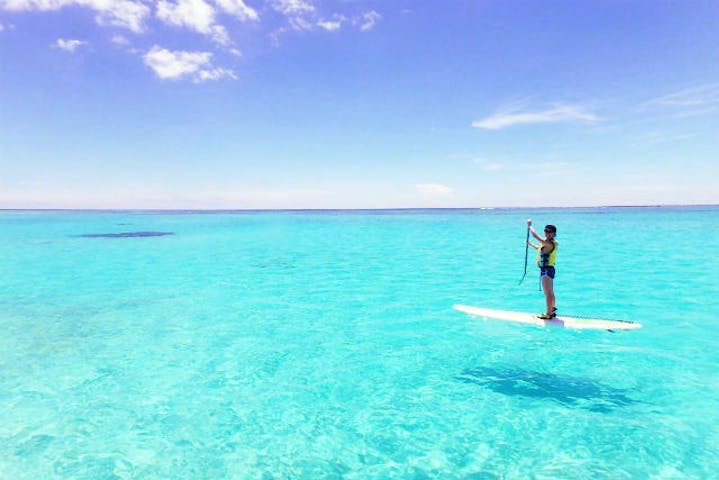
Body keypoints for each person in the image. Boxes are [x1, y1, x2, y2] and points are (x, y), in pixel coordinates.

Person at [526, 219, 558, 319]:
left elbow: (536, 236)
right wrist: (530, 244)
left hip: (547, 270)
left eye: (550, 231)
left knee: (547, 292)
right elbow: (539, 248)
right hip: (549, 269)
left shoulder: (550, 243)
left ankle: (548, 314)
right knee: (550, 292)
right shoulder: (548, 243)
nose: (547, 233)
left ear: (554, 233)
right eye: (546, 231)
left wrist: (530, 226)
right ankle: (552, 310)